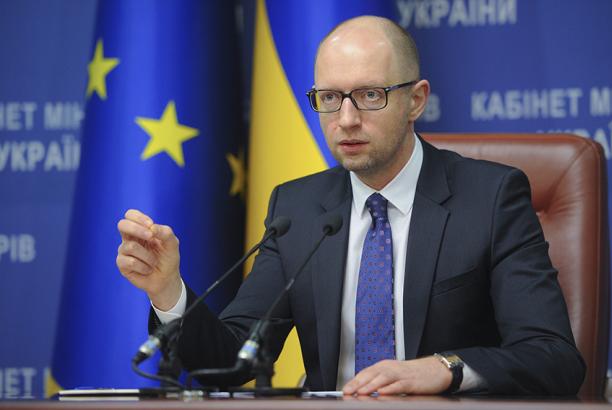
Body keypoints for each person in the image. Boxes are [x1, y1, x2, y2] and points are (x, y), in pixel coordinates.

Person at [116, 16, 585, 395]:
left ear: (416, 100)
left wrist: (445, 369)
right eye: (329, 98)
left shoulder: (490, 198)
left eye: (369, 95)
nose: (346, 119)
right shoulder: (298, 209)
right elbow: (230, 362)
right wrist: (169, 291)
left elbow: (553, 357)